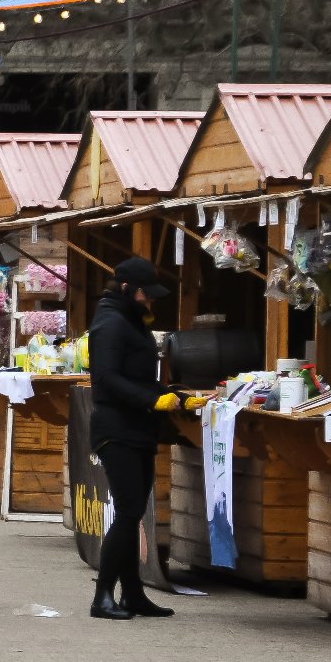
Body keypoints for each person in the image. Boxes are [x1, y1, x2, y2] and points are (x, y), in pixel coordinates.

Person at [87, 256, 204, 621]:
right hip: (116, 430)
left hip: (137, 430)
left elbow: (140, 378)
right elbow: (105, 379)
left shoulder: (130, 322)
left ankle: (133, 593)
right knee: (127, 512)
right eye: (144, 295)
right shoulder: (109, 323)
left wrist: (177, 396)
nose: (149, 302)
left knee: (133, 511)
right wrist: (152, 399)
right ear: (126, 289)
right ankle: (102, 595)